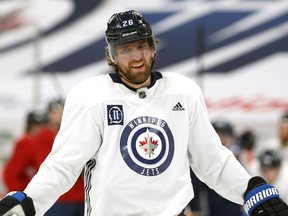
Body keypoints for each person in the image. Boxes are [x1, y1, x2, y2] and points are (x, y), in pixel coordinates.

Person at [0, 10, 287, 216]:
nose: (136, 57)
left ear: (153, 48)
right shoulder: (90, 97)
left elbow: (211, 161)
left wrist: (251, 189)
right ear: (110, 56)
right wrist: (29, 201)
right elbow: (63, 166)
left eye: (141, 46)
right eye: (125, 49)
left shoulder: (184, 92)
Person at [33, 99, 85, 216]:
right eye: (56, 111)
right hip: (57, 198)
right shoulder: (44, 136)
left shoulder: (76, 132)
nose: (60, 114)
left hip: (80, 197)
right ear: (49, 115)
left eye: (63, 110)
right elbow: (49, 165)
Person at [188, 120, 244, 216]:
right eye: (218, 135)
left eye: (224, 136)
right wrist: (196, 210)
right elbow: (195, 192)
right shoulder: (201, 162)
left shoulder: (236, 160)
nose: (221, 140)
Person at [3, 111, 44, 191]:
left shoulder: (31, 141)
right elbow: (11, 172)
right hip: (23, 191)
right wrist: (18, 194)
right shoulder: (26, 142)